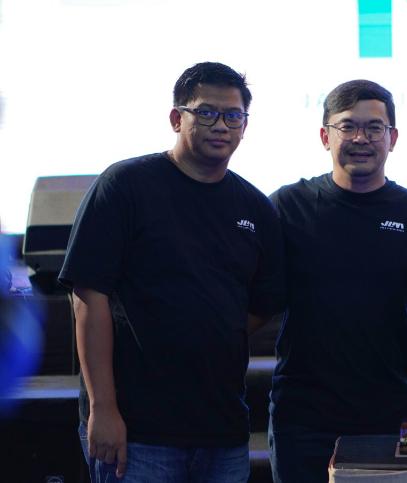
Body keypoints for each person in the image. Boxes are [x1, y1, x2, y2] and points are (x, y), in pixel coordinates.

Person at [59, 62, 284, 482]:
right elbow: (88, 297)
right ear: (177, 118)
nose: (221, 125)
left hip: (222, 430)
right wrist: (103, 408)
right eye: (206, 112)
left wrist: (208, 327)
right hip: (135, 431)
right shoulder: (125, 186)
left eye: (233, 115)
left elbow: (261, 304)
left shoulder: (255, 208)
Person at [267, 79, 407, 482]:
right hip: (302, 416)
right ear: (325, 136)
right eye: (347, 126)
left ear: (392, 138)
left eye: (374, 127)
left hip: (389, 410)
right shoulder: (287, 206)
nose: (361, 138)